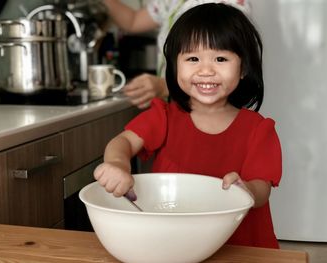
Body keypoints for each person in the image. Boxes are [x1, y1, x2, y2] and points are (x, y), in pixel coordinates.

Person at [94, 3, 282, 249]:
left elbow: (261, 189)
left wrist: (245, 190)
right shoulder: (164, 117)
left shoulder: (259, 129)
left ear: (244, 67)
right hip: (176, 244)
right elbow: (124, 142)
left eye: (221, 58)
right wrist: (118, 164)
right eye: (193, 58)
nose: (206, 70)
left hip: (241, 249)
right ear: (174, 65)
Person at [102, 0, 251, 109]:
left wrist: (165, 85)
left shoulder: (229, 5)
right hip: (173, 104)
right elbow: (133, 21)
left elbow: (225, 72)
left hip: (204, 109)